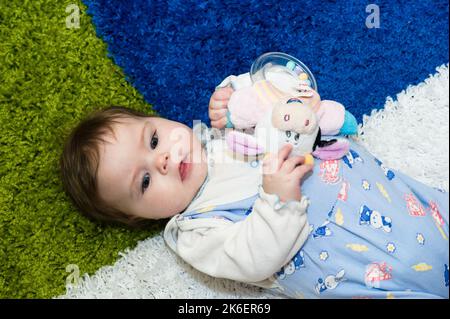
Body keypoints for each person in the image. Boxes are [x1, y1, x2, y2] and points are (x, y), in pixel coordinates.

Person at [60, 75, 449, 299]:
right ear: (135, 216)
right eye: (144, 181)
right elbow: (252, 258)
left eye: (155, 139)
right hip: (364, 275)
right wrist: (277, 199)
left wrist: (235, 97)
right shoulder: (193, 229)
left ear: (161, 120)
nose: (161, 160)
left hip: (403, 205)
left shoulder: (223, 134)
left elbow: (281, 90)